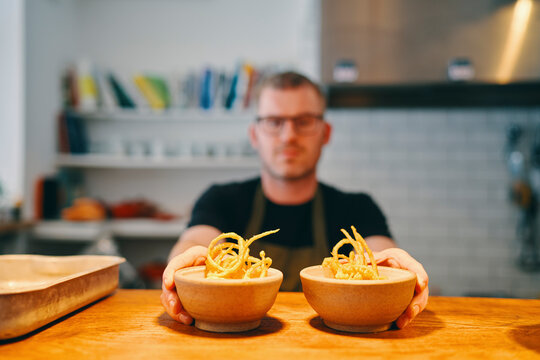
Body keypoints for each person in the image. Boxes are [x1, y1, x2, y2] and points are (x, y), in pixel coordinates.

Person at [161, 71, 429, 328]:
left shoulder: (357, 208)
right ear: (254, 135)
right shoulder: (221, 199)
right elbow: (196, 240)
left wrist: (394, 269)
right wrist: (186, 260)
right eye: (274, 122)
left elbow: (379, 254)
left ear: (325, 133)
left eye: (304, 121)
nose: (289, 135)